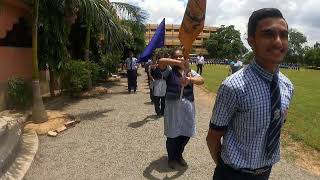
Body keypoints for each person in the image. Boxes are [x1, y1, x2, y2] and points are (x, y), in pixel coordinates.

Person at [206, 8, 294, 180]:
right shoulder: (233, 87)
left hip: (265, 172)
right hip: (233, 174)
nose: (278, 42)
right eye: (268, 34)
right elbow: (213, 138)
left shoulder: (287, 86)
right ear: (252, 41)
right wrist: (225, 170)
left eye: (283, 35)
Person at [158, 48, 204, 169]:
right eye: (176, 57)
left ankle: (179, 154)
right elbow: (161, 61)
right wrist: (178, 63)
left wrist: (190, 79)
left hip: (187, 106)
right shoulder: (168, 70)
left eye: (181, 57)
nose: (179, 59)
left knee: (186, 132)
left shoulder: (189, 71)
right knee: (172, 134)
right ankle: (171, 158)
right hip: (173, 107)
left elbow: (201, 80)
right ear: (172, 59)